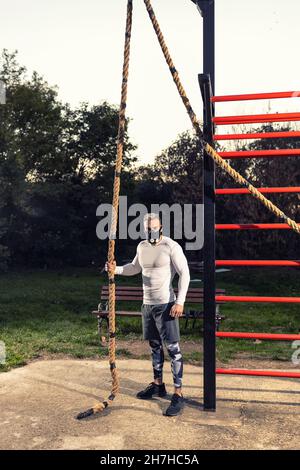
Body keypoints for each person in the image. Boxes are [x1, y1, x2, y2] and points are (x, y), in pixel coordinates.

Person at [106, 213, 190, 416]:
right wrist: (114, 269)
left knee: (173, 349)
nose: (150, 231)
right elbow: (134, 267)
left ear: (160, 227)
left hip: (166, 304)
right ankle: (158, 385)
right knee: (154, 345)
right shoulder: (142, 247)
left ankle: (178, 394)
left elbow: (185, 273)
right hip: (148, 305)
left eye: (154, 227)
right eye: (147, 228)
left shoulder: (171, 246)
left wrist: (180, 302)